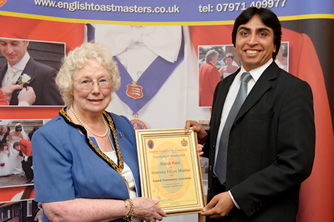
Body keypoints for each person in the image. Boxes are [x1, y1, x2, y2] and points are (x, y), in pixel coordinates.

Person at [185, 7, 315, 222]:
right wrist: (207, 140)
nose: (252, 41)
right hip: (217, 211)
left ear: (275, 45)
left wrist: (235, 197)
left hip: (263, 214)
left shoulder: (293, 89)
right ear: (235, 41)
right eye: (244, 33)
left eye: (262, 34)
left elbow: (295, 163)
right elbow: (239, 144)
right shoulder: (223, 86)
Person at [32, 42, 167, 222]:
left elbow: (146, 173)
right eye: (86, 81)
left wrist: (175, 155)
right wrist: (131, 208)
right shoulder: (50, 137)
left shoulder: (123, 125)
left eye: (103, 80)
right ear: (71, 87)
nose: (96, 90)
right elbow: (59, 211)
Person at [0, 38, 63, 105]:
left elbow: (57, 113)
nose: (9, 51)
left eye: (14, 44)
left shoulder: (47, 75)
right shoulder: (1, 73)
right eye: (3, 44)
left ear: (26, 42)